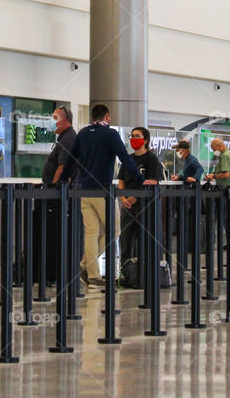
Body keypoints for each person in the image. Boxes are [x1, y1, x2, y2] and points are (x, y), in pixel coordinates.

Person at [66, 104, 157, 288]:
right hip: (102, 192)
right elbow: (125, 158)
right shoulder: (110, 134)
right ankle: (86, 267)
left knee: (91, 233)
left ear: (92, 117)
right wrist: (141, 180)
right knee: (114, 230)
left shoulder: (83, 133)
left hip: (84, 191)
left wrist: (62, 180)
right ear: (107, 117)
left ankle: (92, 275)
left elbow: (71, 160)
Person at [117, 127, 164, 266]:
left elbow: (153, 181)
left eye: (137, 136)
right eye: (132, 136)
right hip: (127, 206)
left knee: (144, 239)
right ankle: (125, 269)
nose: (133, 138)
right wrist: (123, 198)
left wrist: (135, 197)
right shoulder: (128, 159)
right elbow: (121, 180)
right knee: (126, 239)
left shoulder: (151, 159)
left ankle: (144, 270)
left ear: (146, 140)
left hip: (145, 206)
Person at [40, 105, 76, 283]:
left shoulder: (68, 139)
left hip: (57, 195)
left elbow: (62, 167)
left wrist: (54, 189)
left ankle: (53, 273)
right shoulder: (63, 138)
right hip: (56, 193)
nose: (52, 121)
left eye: (55, 118)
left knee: (55, 235)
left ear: (65, 120)